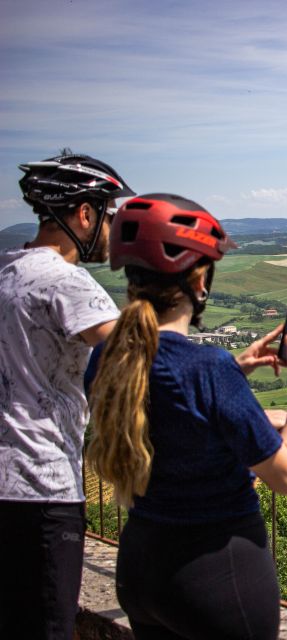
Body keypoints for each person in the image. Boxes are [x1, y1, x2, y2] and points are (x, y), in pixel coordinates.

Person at [84, 193, 287, 639]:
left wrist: (234, 369)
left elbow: (173, 404)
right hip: (217, 573)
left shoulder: (107, 359)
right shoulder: (206, 371)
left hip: (140, 567)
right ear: (199, 280)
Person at [0, 151, 135, 639]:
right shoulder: (66, 282)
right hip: (40, 485)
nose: (110, 226)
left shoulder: (6, 270)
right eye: (108, 213)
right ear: (83, 213)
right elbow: (141, 357)